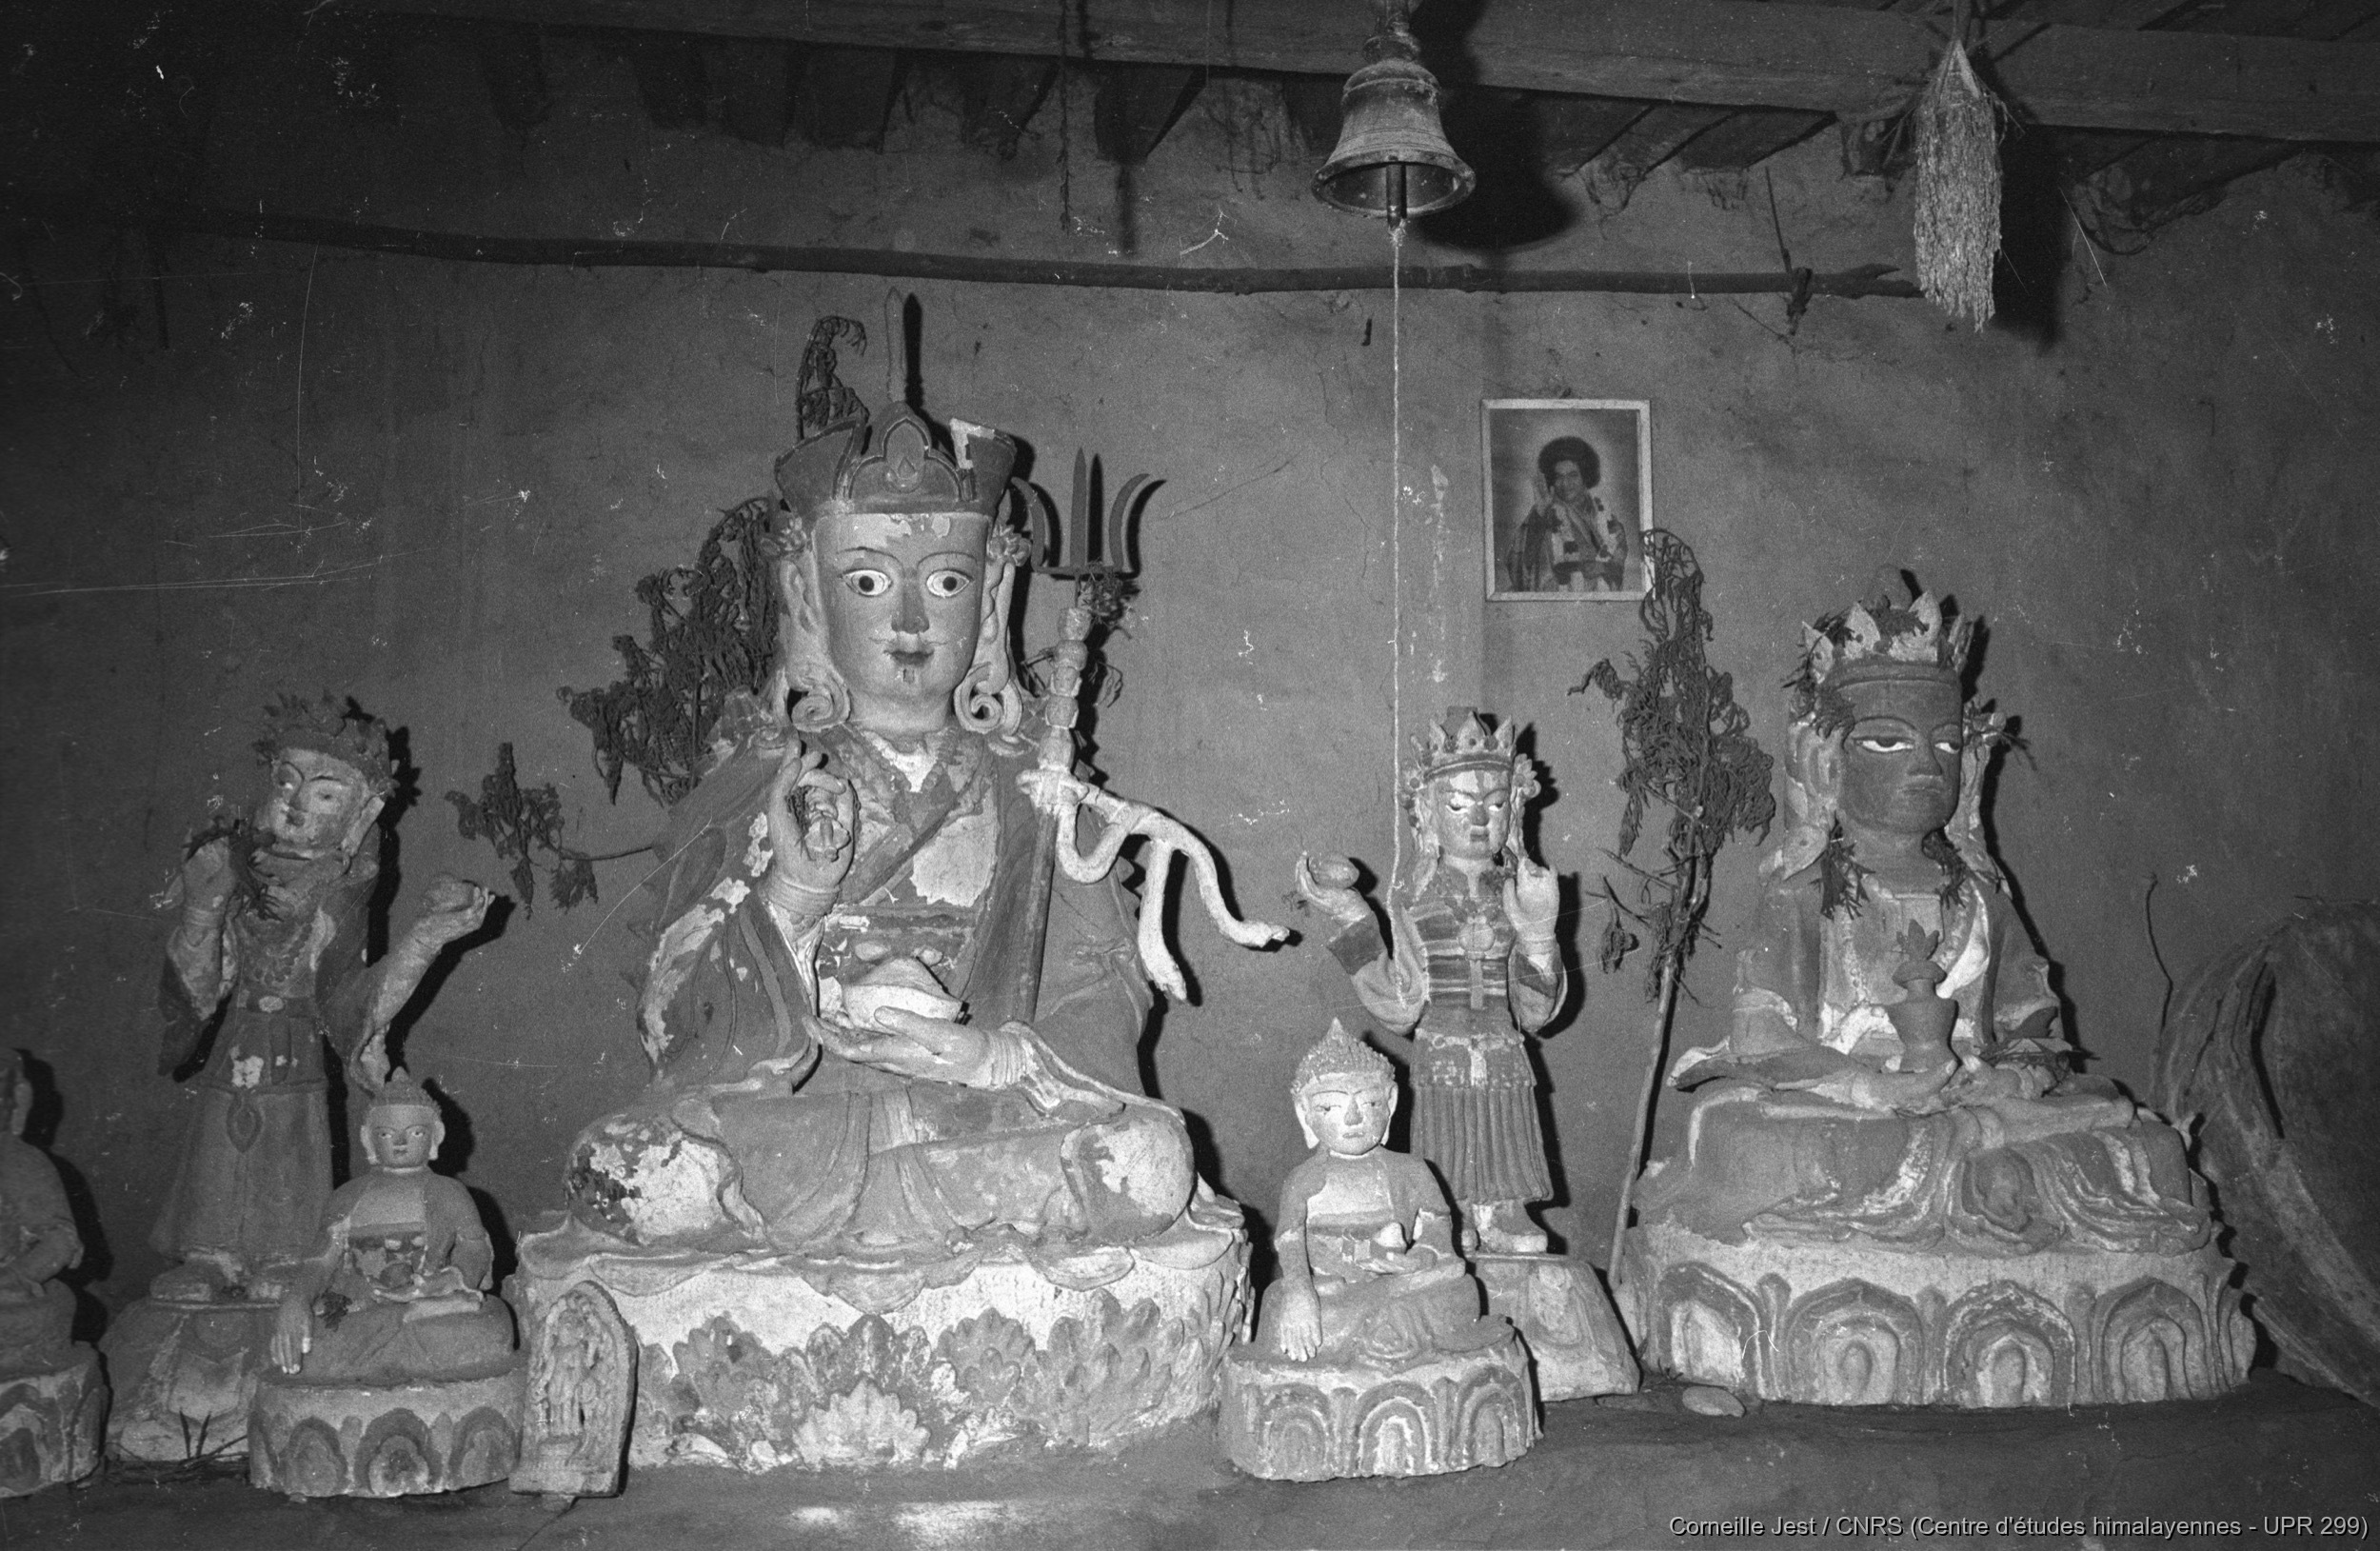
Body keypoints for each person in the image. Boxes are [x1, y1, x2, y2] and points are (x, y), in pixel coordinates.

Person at [556, 401, 1205, 1262]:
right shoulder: (766, 779)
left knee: (1148, 1161)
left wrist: (992, 1060)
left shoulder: (1031, 786)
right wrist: (794, 894)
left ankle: (875, 1203)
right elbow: (671, 1017)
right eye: (866, 581)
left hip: (969, 1110)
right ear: (807, 594)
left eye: (946, 583)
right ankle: (918, 1203)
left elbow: (1102, 989)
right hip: (807, 1112)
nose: (910, 621)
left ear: (992, 597)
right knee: (625, 1167)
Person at [1636, 590, 2210, 1253]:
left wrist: (2009, 1076)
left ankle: (1960, 1180)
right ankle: (1973, 1185)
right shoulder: (1800, 896)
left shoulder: (1984, 900)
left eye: (1946, 743)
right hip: (1849, 1102)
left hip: (1975, 1098)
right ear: (1828, 760)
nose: (1926, 765)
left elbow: (2033, 1030)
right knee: (1749, 1140)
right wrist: (1867, 1086)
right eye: (1887, 740)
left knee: (2144, 1141)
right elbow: (1760, 1034)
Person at [151, 697, 491, 1301]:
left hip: (295, 1046)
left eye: (326, 793)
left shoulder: (340, 891)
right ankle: (208, 1256)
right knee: (219, 1143)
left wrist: (425, 939)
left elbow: (350, 1003)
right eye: (286, 782)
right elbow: (201, 990)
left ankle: (286, 1256)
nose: (297, 802)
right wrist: (203, 907)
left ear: (363, 811)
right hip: (237, 1037)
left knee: (286, 1144)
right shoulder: (237, 867)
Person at [1299, 708, 1564, 1254]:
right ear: (1427, 812)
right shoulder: (1415, 899)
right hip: (1441, 1046)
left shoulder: (1520, 892)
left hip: (1503, 1044)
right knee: (1448, 1133)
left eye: (1496, 804)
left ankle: (1506, 1211)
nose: (1479, 820)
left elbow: (1536, 1012)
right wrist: (1353, 918)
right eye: (1459, 805)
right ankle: (1452, 1210)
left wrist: (1539, 935)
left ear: (1515, 809)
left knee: (1506, 1122)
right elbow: (1401, 1003)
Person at [1259, 1022, 1500, 1367]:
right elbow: (1291, 1244)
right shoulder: (1303, 1179)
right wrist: (1300, 1292)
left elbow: (1438, 1236)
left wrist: (1417, 1259)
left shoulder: (1412, 1170)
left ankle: (1383, 1322)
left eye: (1370, 1103)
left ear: (1391, 1102)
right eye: (1330, 1108)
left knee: (1461, 1289)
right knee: (1284, 1304)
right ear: (1304, 1112)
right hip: (1335, 1289)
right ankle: (1393, 1329)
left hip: (1400, 1280)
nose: (1353, 1119)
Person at [268, 1068, 514, 1383]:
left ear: (435, 1137)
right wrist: (296, 1300)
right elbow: (320, 1261)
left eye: (415, 1133)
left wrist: (443, 1282)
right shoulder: (348, 1195)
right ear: (368, 1139)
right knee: (307, 1342)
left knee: (492, 1324)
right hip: (362, 1306)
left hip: (426, 1303)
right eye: (385, 1134)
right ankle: (397, 1342)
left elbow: (475, 1249)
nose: (399, 1142)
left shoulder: (448, 1192)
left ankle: (390, 1343)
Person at [0, 1053, 80, 1375]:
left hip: (7, 1288)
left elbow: (60, 1238)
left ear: (15, 1103)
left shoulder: (23, 1163)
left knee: (50, 1308)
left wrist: (19, 1275)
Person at [1504, 436, 1622, 594]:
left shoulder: (1603, 514)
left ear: (1585, 476)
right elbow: (1517, 566)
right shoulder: (1543, 512)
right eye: (1559, 477)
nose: (1565, 484)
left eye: (1573, 475)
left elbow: (1618, 558)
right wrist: (1540, 513)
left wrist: (1602, 568)